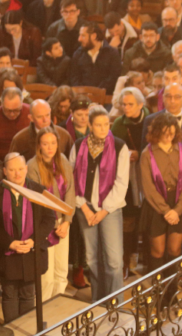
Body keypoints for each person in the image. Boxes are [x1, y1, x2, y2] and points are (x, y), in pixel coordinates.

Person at [0, 153, 55, 322]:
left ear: (26, 169)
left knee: (29, 293)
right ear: (4, 171)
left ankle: (27, 331)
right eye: (12, 170)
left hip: (31, 251)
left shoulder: (38, 191)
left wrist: (34, 241)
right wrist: (10, 243)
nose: (17, 173)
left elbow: (49, 219)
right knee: (9, 294)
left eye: (21, 169)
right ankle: (12, 330)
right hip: (7, 254)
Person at [69, 106, 131, 301]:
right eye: (98, 125)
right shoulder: (79, 146)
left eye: (106, 124)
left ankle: (116, 303)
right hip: (84, 208)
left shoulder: (120, 147)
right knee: (92, 259)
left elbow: (122, 183)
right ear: (90, 125)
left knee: (113, 260)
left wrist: (103, 211)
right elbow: (71, 181)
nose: (103, 128)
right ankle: (99, 300)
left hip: (110, 209)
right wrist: (85, 208)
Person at [139, 114, 182, 279]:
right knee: (158, 250)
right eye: (165, 133)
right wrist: (165, 211)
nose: (169, 136)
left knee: (174, 250)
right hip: (156, 205)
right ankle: (159, 292)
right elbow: (148, 188)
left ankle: (172, 292)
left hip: (179, 204)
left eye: (172, 133)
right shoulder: (147, 154)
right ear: (157, 132)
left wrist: (177, 210)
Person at [27, 127, 76, 299]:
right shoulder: (32, 166)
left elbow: (70, 191)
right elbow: (38, 200)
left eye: (53, 143)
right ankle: (45, 311)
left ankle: (59, 306)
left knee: (61, 271)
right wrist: (54, 224)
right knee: (46, 276)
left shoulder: (62, 160)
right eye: (45, 144)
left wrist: (67, 221)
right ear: (39, 145)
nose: (50, 147)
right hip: (45, 225)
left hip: (63, 222)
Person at [111, 87, 149, 276]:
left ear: (141, 105)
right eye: (124, 104)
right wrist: (126, 155)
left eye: (130, 104)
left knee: (147, 217)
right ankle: (127, 259)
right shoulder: (118, 123)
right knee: (129, 219)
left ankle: (145, 258)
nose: (126, 108)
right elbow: (112, 148)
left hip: (148, 174)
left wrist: (140, 154)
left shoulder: (150, 120)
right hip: (126, 176)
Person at [70, 22, 122, 95]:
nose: (79, 39)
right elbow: (74, 78)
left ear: (94, 36)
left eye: (83, 36)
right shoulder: (78, 54)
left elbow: (114, 77)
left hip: (106, 98)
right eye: (80, 35)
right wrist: (84, 92)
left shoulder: (112, 53)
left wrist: (96, 92)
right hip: (83, 97)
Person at [0, 88, 32, 160]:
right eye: (7, 110)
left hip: (27, 159)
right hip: (0, 161)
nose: (12, 114)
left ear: (22, 102)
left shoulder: (31, 113)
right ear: (1, 104)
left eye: (16, 110)